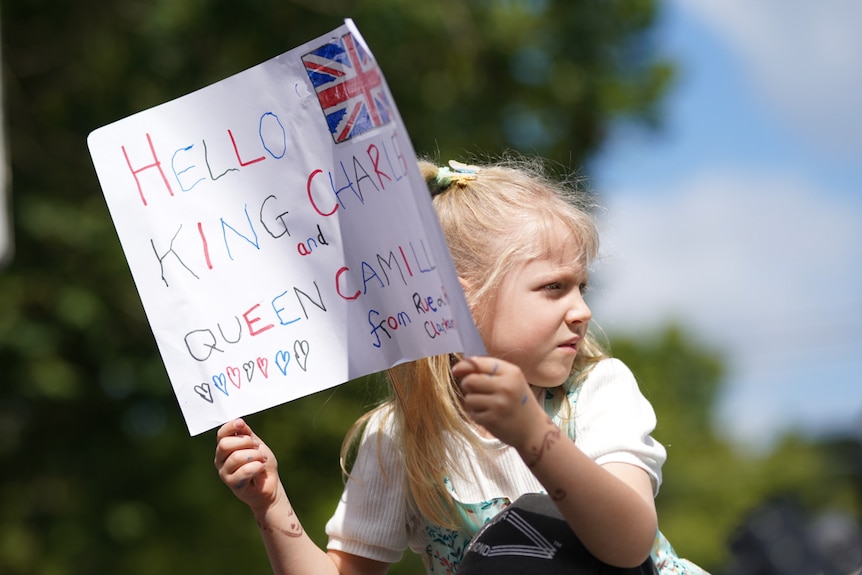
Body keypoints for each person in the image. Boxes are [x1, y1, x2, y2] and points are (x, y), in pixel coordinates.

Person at [214, 157, 708, 575]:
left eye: (582, 287)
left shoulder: (598, 389)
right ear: (456, 299)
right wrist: (271, 504)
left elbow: (628, 544)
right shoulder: (400, 435)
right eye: (553, 287)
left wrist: (531, 432)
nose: (582, 310)